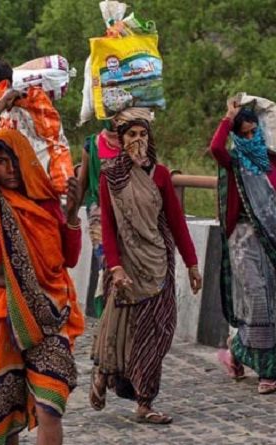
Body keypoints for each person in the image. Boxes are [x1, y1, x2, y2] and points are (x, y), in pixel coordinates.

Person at [0, 90, 85, 445]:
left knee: (51, 404)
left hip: (48, 314)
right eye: (0, 161)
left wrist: (72, 214)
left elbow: (68, 259)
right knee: (6, 415)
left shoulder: (44, 203)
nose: (9, 169)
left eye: (15, 160)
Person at [90, 108, 203, 424]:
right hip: (126, 267)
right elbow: (109, 227)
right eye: (131, 135)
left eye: (143, 134)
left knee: (158, 331)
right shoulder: (110, 175)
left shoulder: (162, 175)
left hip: (158, 263)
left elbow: (177, 223)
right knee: (123, 331)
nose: (138, 140)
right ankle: (115, 381)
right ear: (122, 140)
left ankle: (143, 398)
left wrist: (192, 264)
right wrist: (115, 267)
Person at [211, 100, 276, 395]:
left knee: (270, 303)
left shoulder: (271, 162)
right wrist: (228, 118)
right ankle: (267, 372)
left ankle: (236, 351)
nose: (250, 139)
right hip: (244, 239)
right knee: (259, 300)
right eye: (244, 134)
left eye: (254, 133)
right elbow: (215, 148)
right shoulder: (234, 161)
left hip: (270, 240)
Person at [77, 122, 121, 317]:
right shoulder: (92, 145)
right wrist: (69, 219)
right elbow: (82, 183)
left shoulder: (135, 142)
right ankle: (107, 316)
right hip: (100, 214)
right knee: (108, 266)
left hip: (127, 212)